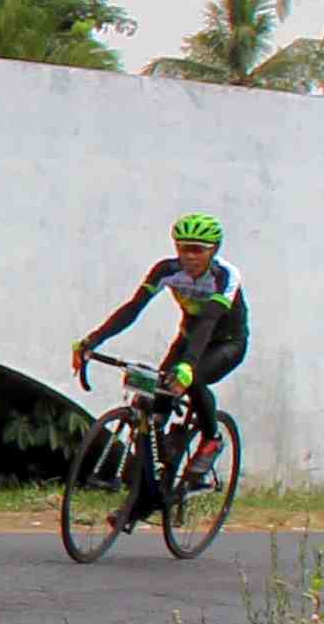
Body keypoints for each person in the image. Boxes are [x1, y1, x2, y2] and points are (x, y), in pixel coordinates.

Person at [72, 215, 250, 504]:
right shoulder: (166, 270)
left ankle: (211, 440)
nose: (190, 256)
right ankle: (151, 486)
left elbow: (208, 321)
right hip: (189, 337)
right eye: (183, 248)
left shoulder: (225, 276)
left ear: (213, 250)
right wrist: (93, 340)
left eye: (197, 249)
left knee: (193, 380)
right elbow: (132, 309)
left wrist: (189, 366)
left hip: (226, 342)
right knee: (154, 395)